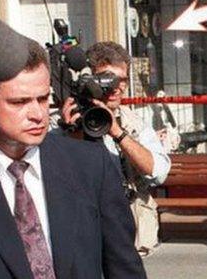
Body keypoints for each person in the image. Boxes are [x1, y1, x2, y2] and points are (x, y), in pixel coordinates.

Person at [0, 42, 146, 278]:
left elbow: (124, 268)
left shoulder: (92, 165)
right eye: (20, 102)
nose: (38, 114)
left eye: (43, 99)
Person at [61, 41, 171, 257]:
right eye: (107, 79)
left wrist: (118, 132)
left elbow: (158, 172)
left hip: (129, 235)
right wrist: (70, 133)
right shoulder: (65, 121)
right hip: (82, 236)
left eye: (122, 80)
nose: (117, 87)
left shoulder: (133, 121)